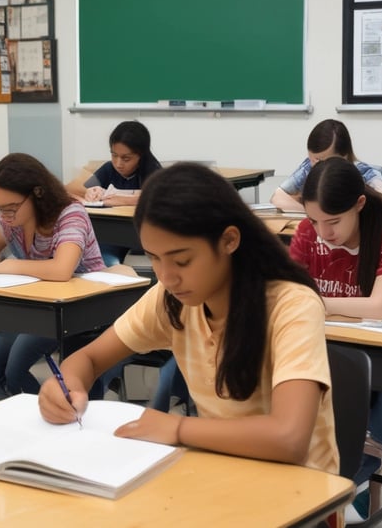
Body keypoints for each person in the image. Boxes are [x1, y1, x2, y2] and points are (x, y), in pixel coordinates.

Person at [39, 163, 339, 480]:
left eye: (182, 260)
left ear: (229, 240)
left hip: (303, 494)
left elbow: (289, 438)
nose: (167, 276)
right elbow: (89, 357)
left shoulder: (290, 306)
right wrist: (66, 385)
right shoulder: (171, 299)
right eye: (154, 258)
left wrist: (179, 427)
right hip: (223, 477)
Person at [289, 156, 382, 522]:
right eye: (314, 220)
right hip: (334, 352)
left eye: (333, 221)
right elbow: (285, 294)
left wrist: (317, 302)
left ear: (359, 205)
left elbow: (379, 307)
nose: (322, 233)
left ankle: (368, 451)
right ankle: (347, 473)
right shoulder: (306, 234)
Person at [0, 152, 106, 401]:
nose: (4, 217)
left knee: (15, 371)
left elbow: (62, 270)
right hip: (35, 307)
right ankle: (18, 427)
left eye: (10, 208)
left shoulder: (70, 213)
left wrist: (5, 266)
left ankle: (54, 419)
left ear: (37, 194)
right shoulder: (9, 220)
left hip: (78, 309)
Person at [66, 120, 161, 266]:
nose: (118, 163)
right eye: (114, 155)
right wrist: (90, 191)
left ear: (141, 155)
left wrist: (123, 200)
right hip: (112, 237)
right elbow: (72, 188)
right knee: (103, 262)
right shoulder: (109, 169)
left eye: (126, 158)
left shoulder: (153, 170)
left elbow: (161, 197)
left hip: (144, 238)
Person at [271, 118, 382, 212]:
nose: (316, 165)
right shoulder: (308, 167)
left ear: (344, 156)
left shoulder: (366, 174)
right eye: (313, 159)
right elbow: (277, 198)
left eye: (322, 160)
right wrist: (313, 214)